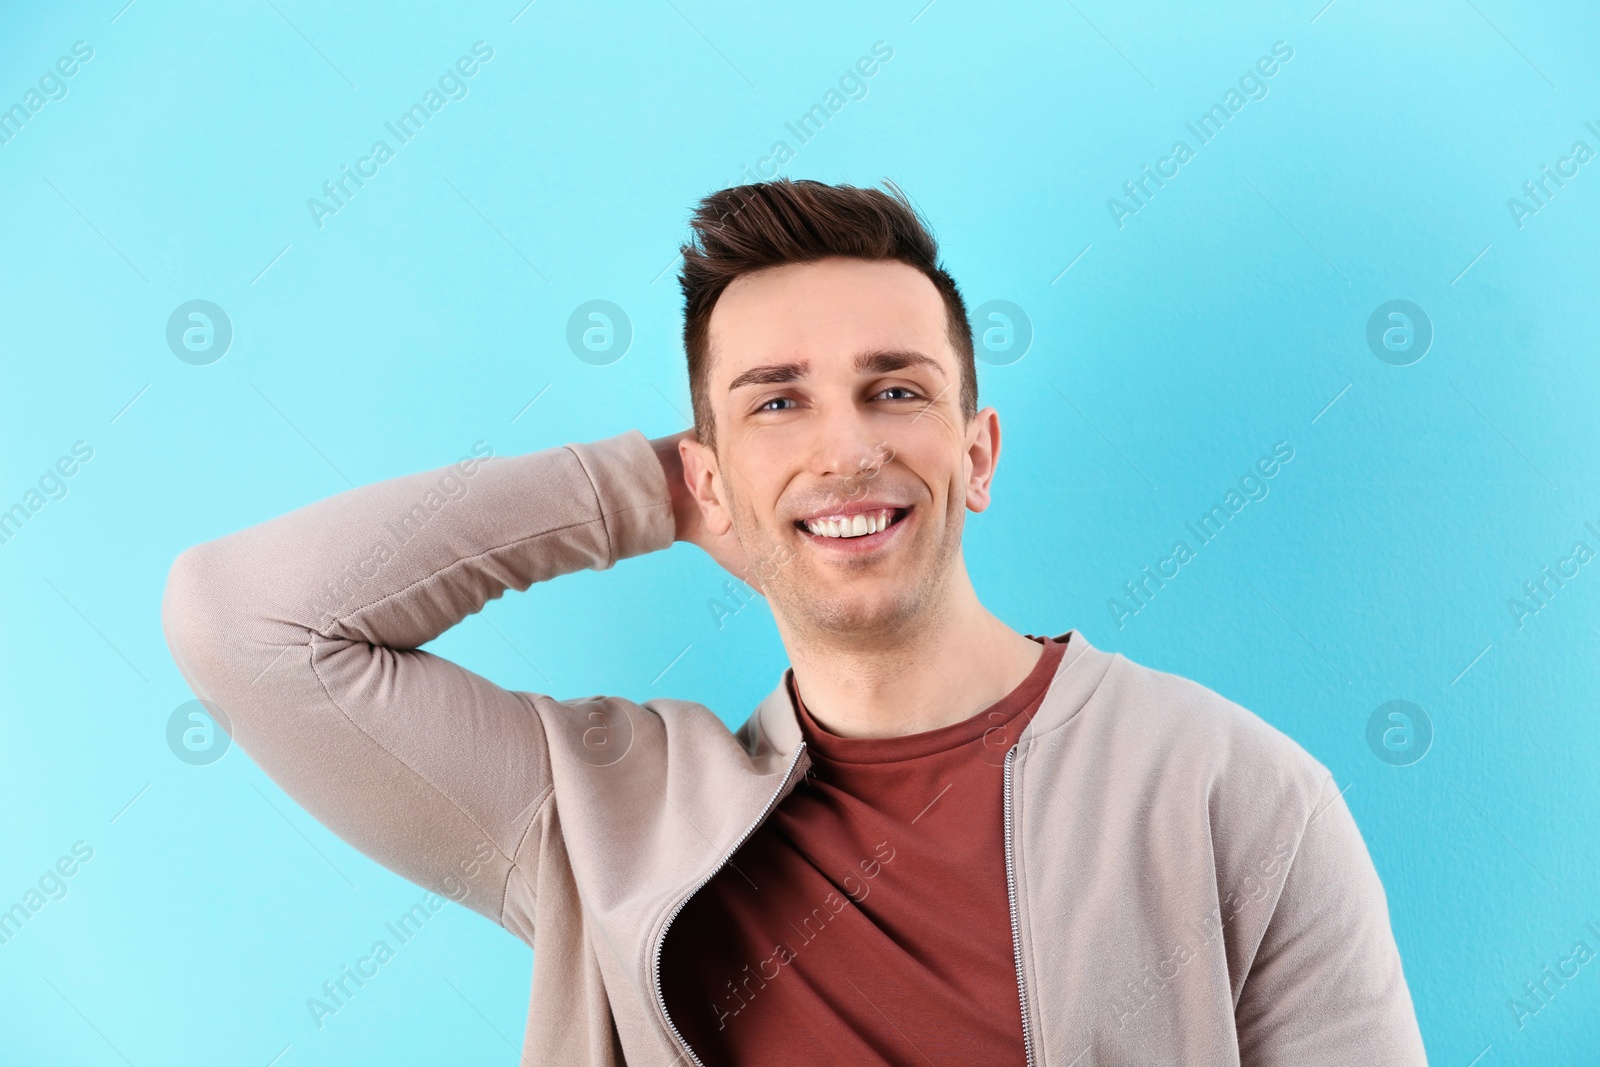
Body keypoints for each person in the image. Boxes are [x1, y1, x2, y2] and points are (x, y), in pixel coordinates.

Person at [161, 178, 1428, 1066]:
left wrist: (745, 454)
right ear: (705, 476)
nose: (848, 446)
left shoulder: (1234, 788)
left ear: (975, 453)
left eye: (895, 388)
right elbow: (246, 621)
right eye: (776, 405)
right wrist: (634, 488)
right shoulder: (600, 823)